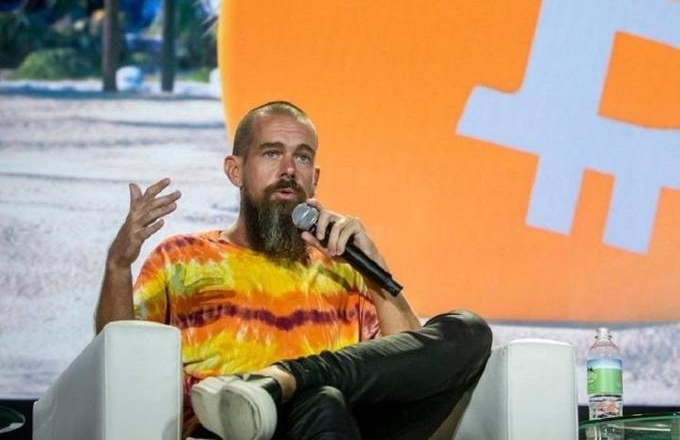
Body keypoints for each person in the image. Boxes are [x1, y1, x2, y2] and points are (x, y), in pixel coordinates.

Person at [94, 101, 492, 439]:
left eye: (302, 157)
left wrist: (374, 270)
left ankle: (280, 379)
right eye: (272, 153)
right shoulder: (183, 257)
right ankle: (279, 387)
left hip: (344, 425)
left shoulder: (343, 269)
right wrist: (118, 265)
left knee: (469, 331)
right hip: (234, 433)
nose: (289, 169)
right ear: (235, 171)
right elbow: (122, 362)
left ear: (314, 179)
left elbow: (410, 373)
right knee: (322, 400)